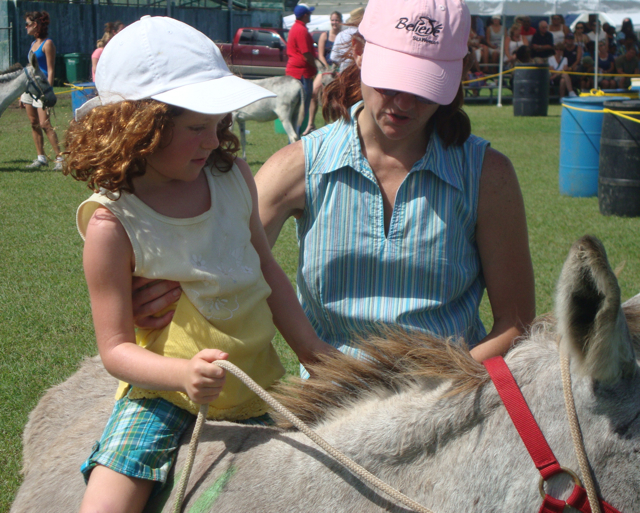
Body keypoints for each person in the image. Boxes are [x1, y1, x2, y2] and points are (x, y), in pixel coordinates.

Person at [131, 0, 536, 373]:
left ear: (458, 74)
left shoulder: (486, 175)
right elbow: (217, 269)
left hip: (449, 405)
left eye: (426, 87)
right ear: (359, 52)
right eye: (393, 81)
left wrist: (433, 386)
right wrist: (152, 297)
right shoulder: (299, 166)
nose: (405, 104)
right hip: (335, 404)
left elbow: (515, 322)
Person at [62, 16, 332, 513]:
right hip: (163, 397)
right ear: (140, 126)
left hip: (260, 383)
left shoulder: (233, 178)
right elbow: (116, 349)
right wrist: (181, 374)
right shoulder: (112, 225)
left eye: (217, 124)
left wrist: (313, 352)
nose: (213, 141)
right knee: (107, 502)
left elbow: (267, 270)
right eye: (195, 127)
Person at [20, 11, 63, 170]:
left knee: (45, 124)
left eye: (28, 24)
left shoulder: (48, 44)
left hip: (42, 88)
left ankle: (60, 158)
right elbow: (30, 69)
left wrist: (48, 94)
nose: (26, 27)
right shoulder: (33, 44)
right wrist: (23, 92)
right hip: (30, 87)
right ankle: (41, 158)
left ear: (35, 25)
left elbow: (50, 70)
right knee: (34, 123)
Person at [302, 11, 342, 136]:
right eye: (333, 20)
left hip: (338, 69)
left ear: (340, 21)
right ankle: (311, 124)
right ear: (330, 21)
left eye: (337, 20)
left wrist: (336, 69)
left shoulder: (342, 36)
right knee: (314, 92)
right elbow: (320, 54)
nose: (335, 23)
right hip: (325, 68)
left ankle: (339, 122)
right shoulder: (324, 35)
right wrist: (326, 67)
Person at [285, 3, 317, 136]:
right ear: (305, 15)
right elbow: (306, 54)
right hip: (301, 73)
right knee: (301, 108)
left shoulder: (296, 27)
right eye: (309, 13)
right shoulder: (301, 30)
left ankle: (295, 135)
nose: (310, 16)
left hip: (294, 71)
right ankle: (296, 135)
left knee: (295, 108)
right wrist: (316, 68)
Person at [329, 7, 364, 72]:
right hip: (362, 70)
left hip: (345, 71)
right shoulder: (364, 34)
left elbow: (333, 57)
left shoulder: (341, 35)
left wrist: (344, 61)